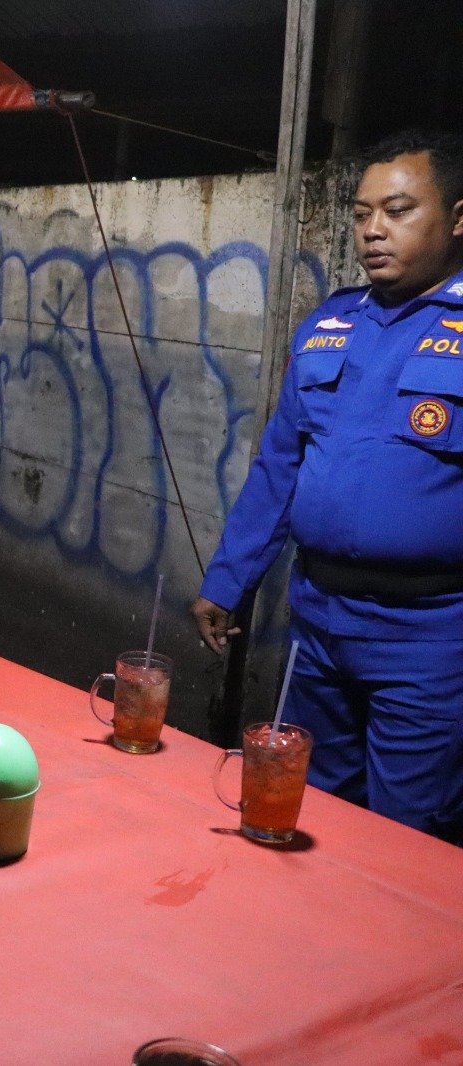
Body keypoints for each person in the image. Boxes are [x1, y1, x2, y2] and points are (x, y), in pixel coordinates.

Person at [191, 129, 463, 844]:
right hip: (319, 626)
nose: (374, 230)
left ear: (459, 219)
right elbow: (280, 468)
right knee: (310, 810)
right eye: (362, 212)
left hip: (432, 637)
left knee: (410, 832)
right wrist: (228, 581)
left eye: (399, 210)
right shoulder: (330, 328)